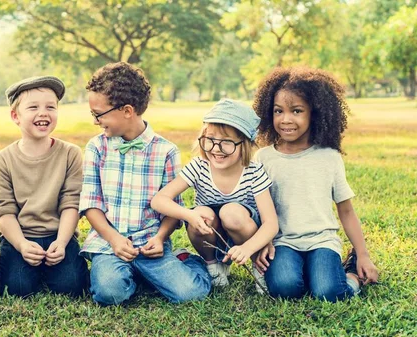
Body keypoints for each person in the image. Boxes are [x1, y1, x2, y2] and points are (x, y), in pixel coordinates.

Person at [79, 62, 211, 306]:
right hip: (109, 245)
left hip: (151, 244)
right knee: (110, 293)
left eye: (99, 114)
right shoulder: (96, 147)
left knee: (191, 294)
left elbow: (172, 208)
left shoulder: (166, 151)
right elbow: (90, 204)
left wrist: (160, 238)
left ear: (127, 110)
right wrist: (114, 239)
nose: (96, 121)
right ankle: (133, 274)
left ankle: (185, 261)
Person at [253, 66, 379, 302]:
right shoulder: (263, 158)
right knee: (285, 288)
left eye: (297, 111)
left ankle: (351, 274)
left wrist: (363, 255)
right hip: (282, 242)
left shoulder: (328, 157)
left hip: (322, 240)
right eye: (278, 111)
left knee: (328, 293)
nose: (286, 119)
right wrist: (263, 242)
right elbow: (259, 209)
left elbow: (346, 211)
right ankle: (305, 271)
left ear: (316, 113)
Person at [152, 99, 278, 292]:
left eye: (226, 143)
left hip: (245, 233)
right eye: (210, 140)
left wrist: (249, 248)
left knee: (231, 212)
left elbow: (271, 223)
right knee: (201, 213)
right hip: (211, 232)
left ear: (244, 143)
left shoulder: (253, 172)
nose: (216, 149)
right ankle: (213, 265)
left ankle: (258, 267)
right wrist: (189, 215)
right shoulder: (199, 166)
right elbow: (159, 200)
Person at [0, 76, 89, 297]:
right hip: (20, 235)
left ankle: (57, 263)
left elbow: (71, 203)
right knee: (17, 287)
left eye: (50, 107)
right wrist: (22, 244)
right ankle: (26, 265)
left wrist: (62, 243)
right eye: (33, 107)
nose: (43, 113)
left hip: (59, 233)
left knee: (72, 286)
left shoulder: (70, 154)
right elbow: (4, 211)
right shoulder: (2, 160)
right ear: (16, 116)